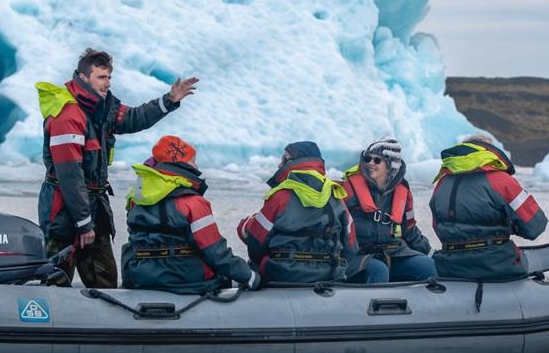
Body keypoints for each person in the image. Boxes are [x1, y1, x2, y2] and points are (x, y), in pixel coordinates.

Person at [37, 48, 199, 288]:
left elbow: (134, 118)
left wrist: (169, 101)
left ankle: (106, 323)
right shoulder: (68, 115)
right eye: (101, 78)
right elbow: (70, 175)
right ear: (83, 78)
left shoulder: (104, 106)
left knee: (105, 283)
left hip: (95, 208)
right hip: (63, 212)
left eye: (109, 77)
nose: (107, 83)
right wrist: (83, 223)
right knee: (55, 282)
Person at [121, 135, 261, 293]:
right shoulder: (192, 202)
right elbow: (215, 251)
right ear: (183, 163)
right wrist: (249, 276)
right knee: (223, 279)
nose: (197, 166)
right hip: (184, 278)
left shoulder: (136, 198)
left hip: (139, 276)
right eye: (193, 160)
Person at [237, 141, 384, 285]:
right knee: (376, 268)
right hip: (327, 274)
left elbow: (256, 244)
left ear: (292, 162)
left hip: (281, 273)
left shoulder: (279, 197)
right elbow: (351, 245)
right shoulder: (336, 197)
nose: (279, 164)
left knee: (252, 266)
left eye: (284, 159)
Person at [428, 135, 548, 280]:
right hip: (496, 265)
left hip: (448, 266)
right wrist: (510, 226)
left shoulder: (442, 183)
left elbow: (438, 226)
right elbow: (535, 226)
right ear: (490, 152)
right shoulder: (502, 181)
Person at [342, 137, 436, 281]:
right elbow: (338, 228)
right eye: (367, 159)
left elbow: (410, 229)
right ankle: (371, 302)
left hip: (394, 252)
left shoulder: (403, 191)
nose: (370, 163)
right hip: (359, 256)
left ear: (391, 165)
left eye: (377, 160)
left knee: (427, 265)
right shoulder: (348, 189)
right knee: (378, 270)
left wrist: (430, 252)